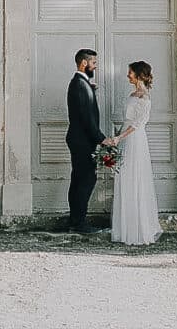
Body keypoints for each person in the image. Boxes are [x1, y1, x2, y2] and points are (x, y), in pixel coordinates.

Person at [110, 60, 162, 246]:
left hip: (135, 140)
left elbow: (137, 123)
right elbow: (127, 120)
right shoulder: (133, 94)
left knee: (135, 178)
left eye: (130, 72)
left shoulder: (144, 97)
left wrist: (119, 138)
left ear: (139, 75)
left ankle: (138, 229)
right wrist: (117, 136)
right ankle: (125, 227)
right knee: (125, 178)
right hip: (125, 138)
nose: (128, 75)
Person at [65, 48, 112, 235]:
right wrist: (102, 139)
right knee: (85, 180)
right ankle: (79, 222)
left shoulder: (81, 84)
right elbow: (86, 118)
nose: (95, 66)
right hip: (82, 140)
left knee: (78, 180)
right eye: (93, 63)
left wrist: (90, 91)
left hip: (79, 139)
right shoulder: (80, 84)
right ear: (84, 63)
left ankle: (75, 220)